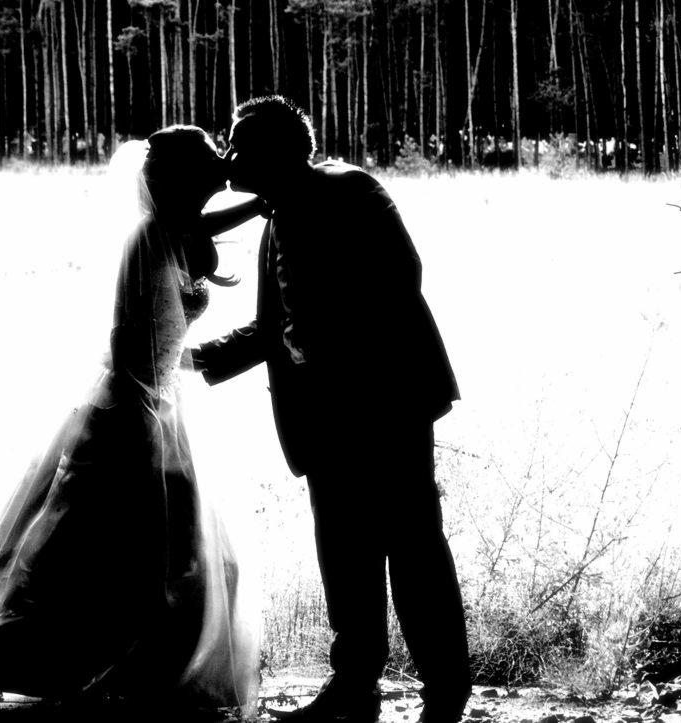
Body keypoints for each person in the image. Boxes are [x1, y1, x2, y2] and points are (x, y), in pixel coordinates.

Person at [0, 126, 264, 717]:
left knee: (170, 549)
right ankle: (93, 668)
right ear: (182, 179)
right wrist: (144, 416)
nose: (223, 166)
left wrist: (266, 198)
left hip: (165, 399)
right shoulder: (151, 236)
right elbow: (129, 343)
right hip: (134, 405)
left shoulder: (178, 228)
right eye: (211, 162)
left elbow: (212, 224)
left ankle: (152, 669)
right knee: (114, 548)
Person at [191, 96, 471, 723]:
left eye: (240, 144)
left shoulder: (351, 189)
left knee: (414, 547)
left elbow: (402, 276)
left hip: (387, 403)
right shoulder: (273, 219)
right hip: (323, 418)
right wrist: (192, 362)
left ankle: (446, 693)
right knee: (344, 553)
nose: (231, 156)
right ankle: (355, 687)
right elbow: (272, 328)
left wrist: (328, 349)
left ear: (275, 149)